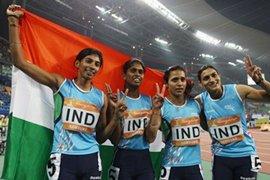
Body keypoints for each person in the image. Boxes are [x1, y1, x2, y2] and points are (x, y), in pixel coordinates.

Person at [7, 5, 118, 179]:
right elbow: (20, 62)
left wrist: (116, 117)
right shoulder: (61, 84)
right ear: (77, 64)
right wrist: (13, 22)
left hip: (91, 158)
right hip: (62, 158)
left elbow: (101, 137)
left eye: (97, 64)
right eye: (88, 61)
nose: (93, 66)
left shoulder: (101, 97)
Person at [196, 56, 270, 180]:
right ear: (201, 83)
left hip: (245, 155)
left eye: (214, 75)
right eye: (206, 78)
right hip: (221, 157)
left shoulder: (237, 91)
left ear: (219, 76)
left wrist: (260, 81)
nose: (212, 80)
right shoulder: (200, 101)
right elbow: (205, 126)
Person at [106, 58, 164, 180]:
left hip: (144, 158)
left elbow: (150, 138)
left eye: (140, 72)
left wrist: (155, 111)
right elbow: (114, 140)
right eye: (133, 70)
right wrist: (115, 113)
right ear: (124, 75)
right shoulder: (115, 100)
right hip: (122, 156)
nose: (137, 74)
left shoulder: (149, 101)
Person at [159, 65, 203, 180]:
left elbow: (208, 127)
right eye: (175, 80)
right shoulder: (161, 106)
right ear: (167, 84)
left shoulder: (196, 104)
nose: (180, 83)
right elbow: (150, 136)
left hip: (195, 165)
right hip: (171, 166)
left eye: (182, 79)